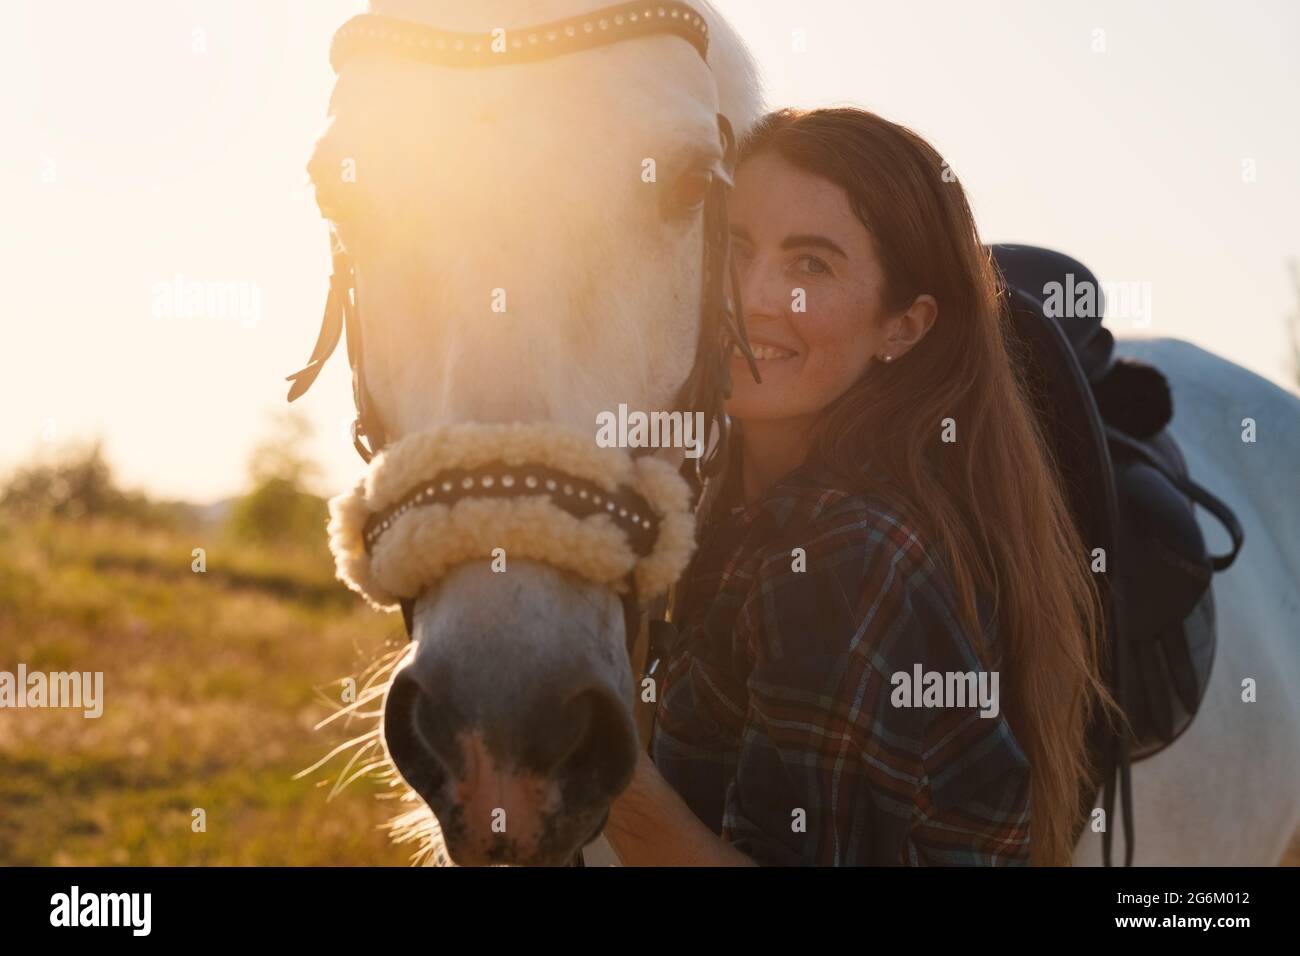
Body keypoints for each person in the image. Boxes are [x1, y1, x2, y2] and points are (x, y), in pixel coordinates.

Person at [603, 107, 1114, 866]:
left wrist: (601, 775)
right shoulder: (723, 501)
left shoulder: (847, 552)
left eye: (812, 265)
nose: (753, 296)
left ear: (902, 327)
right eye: (734, 248)